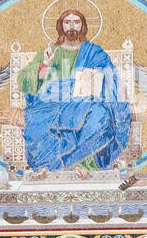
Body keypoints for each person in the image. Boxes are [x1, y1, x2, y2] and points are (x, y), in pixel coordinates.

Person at [17, 9, 132, 172]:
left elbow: (110, 78)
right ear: (60, 26)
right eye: (67, 22)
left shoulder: (94, 52)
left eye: (76, 22)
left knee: (101, 115)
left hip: (86, 101)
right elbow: (24, 82)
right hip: (53, 102)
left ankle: (84, 165)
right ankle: (49, 167)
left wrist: (95, 78)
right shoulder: (49, 52)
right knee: (37, 120)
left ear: (83, 26)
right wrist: (44, 66)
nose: (72, 26)